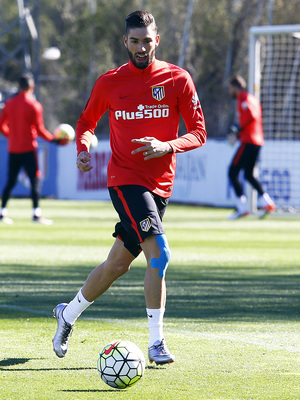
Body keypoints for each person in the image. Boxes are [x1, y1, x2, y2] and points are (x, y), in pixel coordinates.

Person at [52, 10, 207, 365]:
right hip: (124, 180)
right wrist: (83, 149)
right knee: (161, 255)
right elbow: (87, 122)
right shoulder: (109, 82)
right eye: (134, 41)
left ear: (157, 40)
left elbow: (199, 132)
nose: (141, 47)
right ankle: (156, 343)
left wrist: (167, 146)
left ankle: (68, 314)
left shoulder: (177, 79)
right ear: (125, 41)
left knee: (117, 265)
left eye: (147, 40)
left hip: (161, 186)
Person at [0, 73, 64, 224]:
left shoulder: (9, 103)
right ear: (32, 87)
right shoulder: (34, 105)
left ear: (18, 86)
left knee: (10, 181)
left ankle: (2, 213)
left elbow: (1, 125)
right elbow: (40, 129)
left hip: (13, 149)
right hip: (28, 149)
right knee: (34, 181)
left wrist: (12, 135)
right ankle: (36, 214)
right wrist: (54, 140)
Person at [227, 75, 275, 219]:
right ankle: (267, 202)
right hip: (257, 141)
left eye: (230, 88)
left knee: (232, 171)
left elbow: (250, 116)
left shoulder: (242, 98)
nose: (230, 92)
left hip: (249, 141)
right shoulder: (253, 98)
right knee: (248, 174)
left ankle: (242, 208)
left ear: (235, 88)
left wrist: (238, 130)